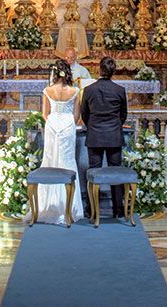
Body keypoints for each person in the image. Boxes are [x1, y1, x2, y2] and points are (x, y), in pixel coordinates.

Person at [34, 59, 84, 225]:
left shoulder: (48, 90)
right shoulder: (75, 91)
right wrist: (67, 123)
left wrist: (54, 123)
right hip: (68, 125)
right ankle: (70, 206)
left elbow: (45, 114)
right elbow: (77, 116)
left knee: (50, 160)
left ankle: (48, 204)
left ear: (55, 73)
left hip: (52, 124)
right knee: (67, 161)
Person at [81, 56, 128, 219]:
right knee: (115, 171)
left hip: (94, 135)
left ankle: (91, 210)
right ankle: (118, 209)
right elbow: (123, 115)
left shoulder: (89, 90)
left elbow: (84, 114)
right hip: (114, 135)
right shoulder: (119, 90)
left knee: (93, 171)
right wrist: (114, 126)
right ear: (113, 72)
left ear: (99, 70)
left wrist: (93, 126)